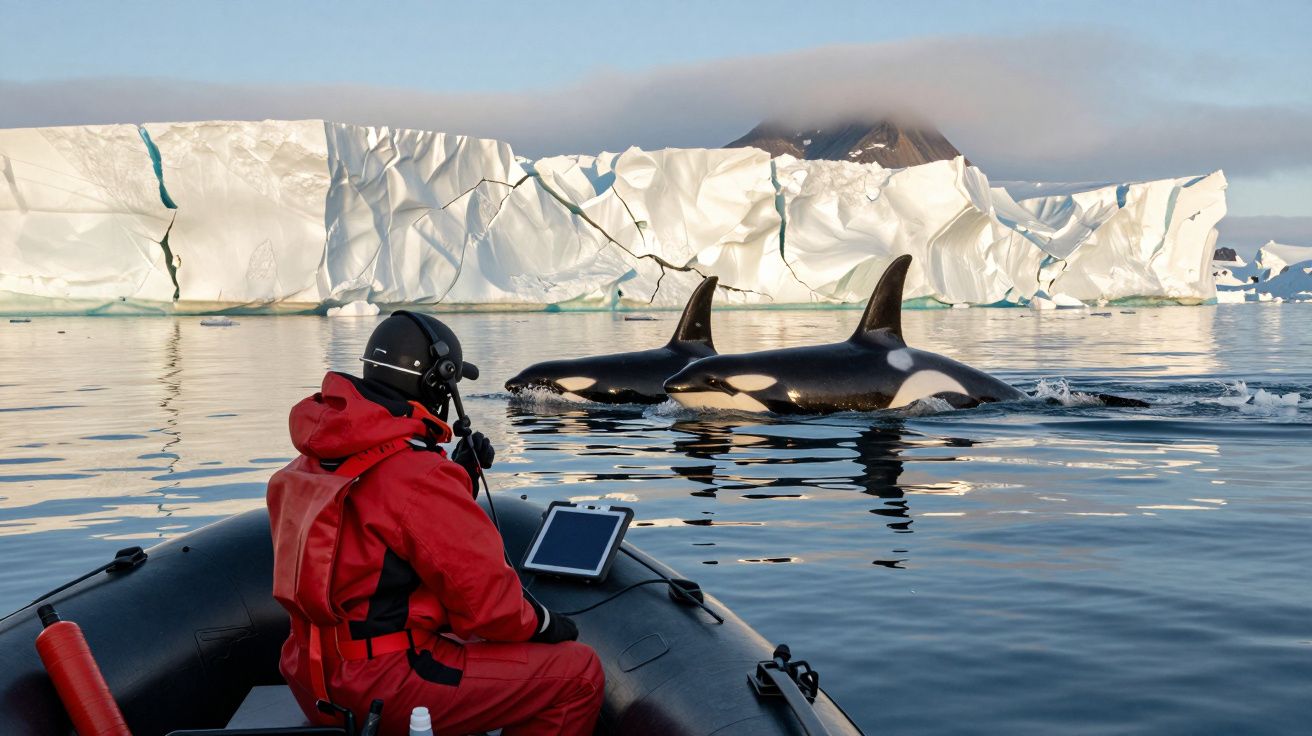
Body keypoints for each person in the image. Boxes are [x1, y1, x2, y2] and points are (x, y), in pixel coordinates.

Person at [267, 311, 604, 736]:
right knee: (578, 673)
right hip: (383, 687)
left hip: (311, 678)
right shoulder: (418, 474)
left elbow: (378, 533)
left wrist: (457, 479)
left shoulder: (310, 461)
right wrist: (546, 623)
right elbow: (492, 611)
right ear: (435, 382)